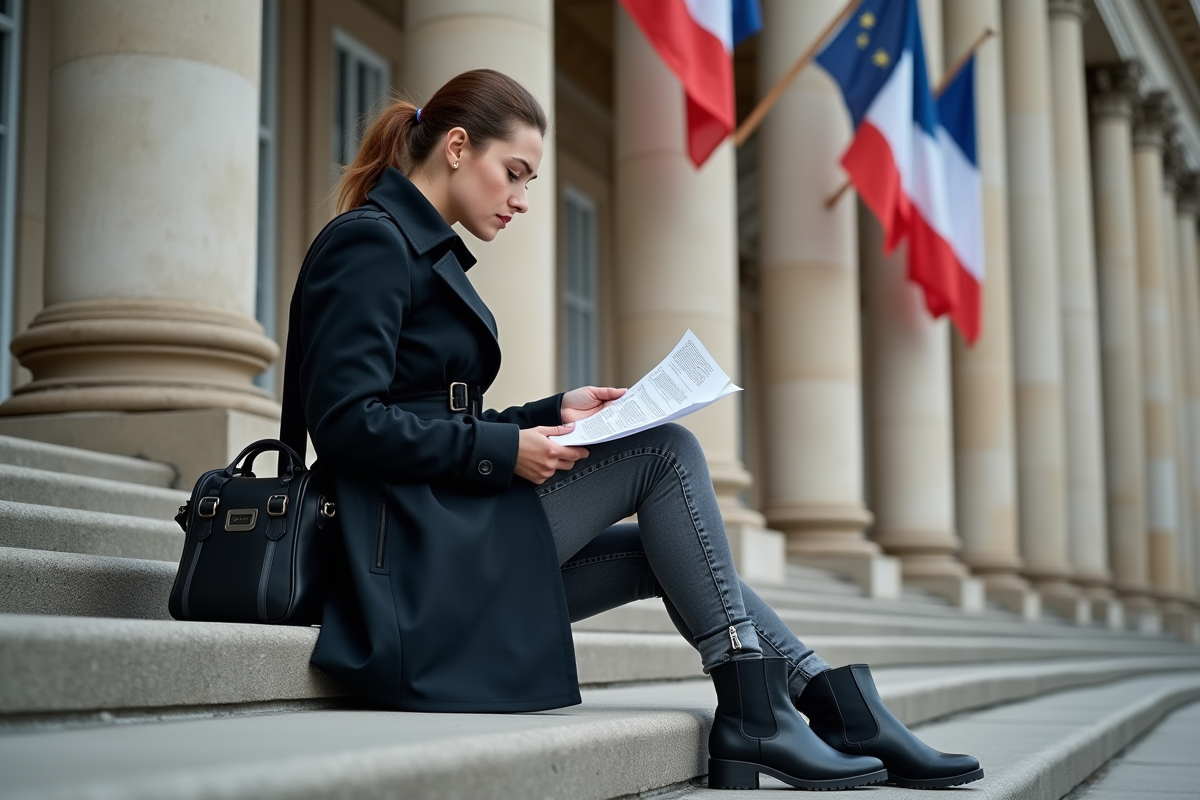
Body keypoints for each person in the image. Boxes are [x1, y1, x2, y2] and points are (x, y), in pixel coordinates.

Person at [282, 68, 982, 792]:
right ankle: (768, 715)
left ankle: (823, 700)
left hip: (440, 535)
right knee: (664, 451)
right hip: (407, 563)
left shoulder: (412, 247)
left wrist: (549, 414)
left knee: (670, 545)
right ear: (457, 146)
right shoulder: (369, 244)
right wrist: (503, 450)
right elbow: (345, 426)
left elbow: (428, 414)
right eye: (514, 174)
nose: (523, 199)